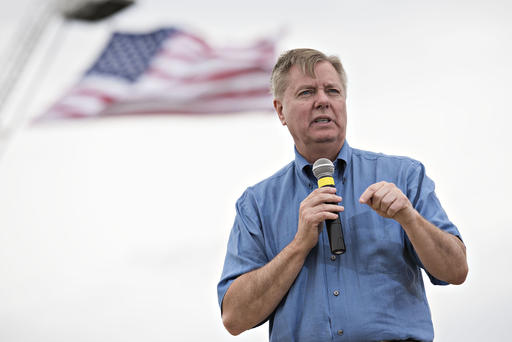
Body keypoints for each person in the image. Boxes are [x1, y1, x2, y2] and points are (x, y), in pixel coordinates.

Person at [217, 48, 468, 342]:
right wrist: (299, 246)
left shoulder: (404, 176)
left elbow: (456, 270)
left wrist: (409, 218)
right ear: (280, 111)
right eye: (307, 92)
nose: (322, 101)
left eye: (332, 91)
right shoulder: (256, 204)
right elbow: (234, 317)